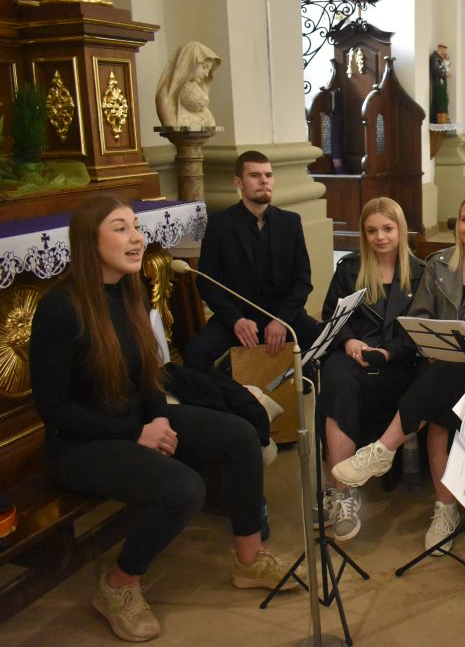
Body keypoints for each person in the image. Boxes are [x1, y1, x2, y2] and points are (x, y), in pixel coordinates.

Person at [29, 196, 297, 643]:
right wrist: (137, 431)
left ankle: (249, 559)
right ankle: (118, 585)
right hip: (78, 444)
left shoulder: (128, 291)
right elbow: (54, 409)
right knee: (183, 488)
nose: (137, 238)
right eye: (120, 228)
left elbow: (149, 376)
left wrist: (159, 420)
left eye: (136, 227)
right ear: (89, 241)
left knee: (239, 434)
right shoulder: (60, 308)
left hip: (134, 420)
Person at [330, 193, 465, 552]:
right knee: (439, 410)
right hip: (443, 366)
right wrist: (435, 346)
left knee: (441, 383)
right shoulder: (439, 265)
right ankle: (445, 509)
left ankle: (383, 450)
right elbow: (419, 318)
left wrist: (457, 352)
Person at [315, 198, 425, 541]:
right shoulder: (349, 269)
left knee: (413, 385)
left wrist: (388, 353)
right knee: (337, 382)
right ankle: (343, 495)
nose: (380, 237)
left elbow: (421, 331)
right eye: (372, 230)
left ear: (400, 229)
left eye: (387, 229)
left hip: (398, 359)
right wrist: (349, 341)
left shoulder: (421, 273)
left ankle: (364, 469)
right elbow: (331, 316)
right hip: (352, 354)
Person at [183, 151, 321, 371]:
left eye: (268, 175)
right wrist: (236, 320)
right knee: (195, 354)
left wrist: (282, 320)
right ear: (238, 182)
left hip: (282, 314)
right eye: (255, 175)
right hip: (238, 317)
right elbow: (207, 284)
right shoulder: (219, 225)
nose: (264, 181)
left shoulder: (290, 223)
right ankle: (226, 391)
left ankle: (301, 385)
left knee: (326, 341)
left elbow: (302, 282)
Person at [155, 41, 221, 128]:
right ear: (190, 62)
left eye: (209, 70)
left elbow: (210, 122)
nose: (206, 74)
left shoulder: (199, 94)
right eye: (204, 67)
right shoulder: (165, 97)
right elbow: (171, 124)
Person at [429, 43, 451, 123]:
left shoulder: (440, 58)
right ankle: (436, 119)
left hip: (441, 82)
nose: (445, 52)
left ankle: (443, 118)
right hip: (437, 83)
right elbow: (435, 71)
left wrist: (446, 60)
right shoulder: (434, 57)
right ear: (440, 49)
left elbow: (444, 67)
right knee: (437, 101)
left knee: (442, 101)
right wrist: (445, 74)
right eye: (444, 50)